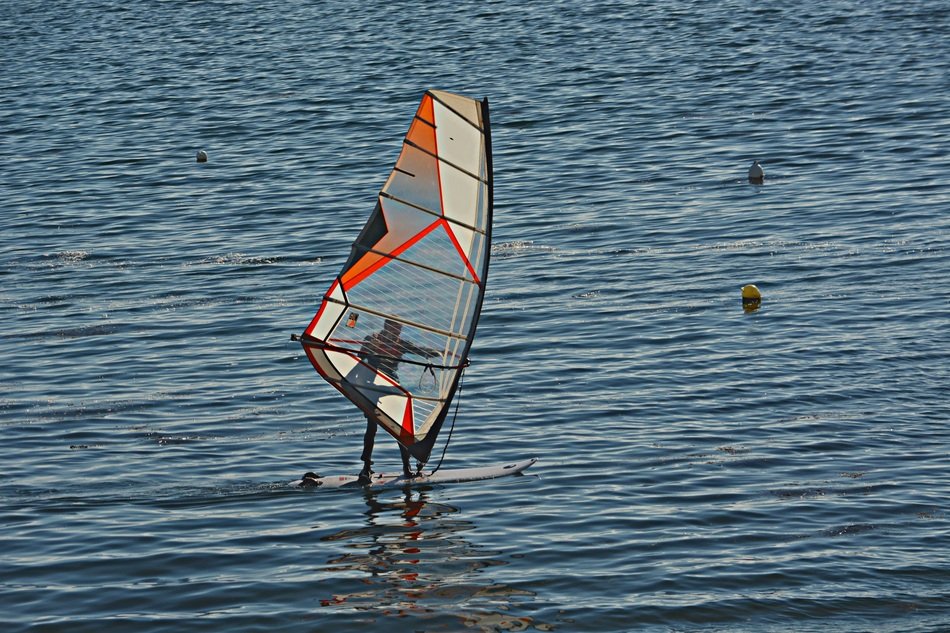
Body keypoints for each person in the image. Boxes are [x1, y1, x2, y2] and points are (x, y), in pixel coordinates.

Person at [356, 319, 438, 484]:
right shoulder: (372, 338)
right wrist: (370, 349)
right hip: (372, 388)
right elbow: (359, 358)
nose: (397, 334)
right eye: (394, 330)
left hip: (393, 388)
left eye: (399, 331)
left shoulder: (400, 343)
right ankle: (366, 468)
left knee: (402, 429)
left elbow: (420, 351)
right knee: (371, 428)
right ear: (386, 327)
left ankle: (406, 467)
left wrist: (441, 353)